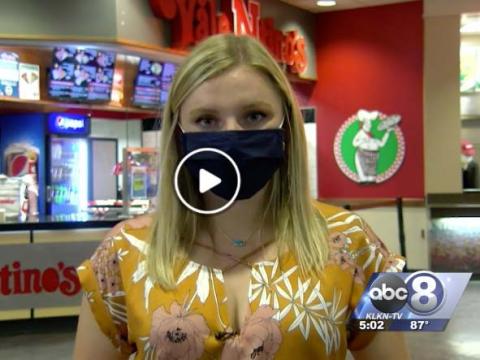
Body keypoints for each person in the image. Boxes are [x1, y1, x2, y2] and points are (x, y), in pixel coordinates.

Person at [74, 34, 409, 359]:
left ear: (286, 126)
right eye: (206, 119)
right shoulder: (125, 252)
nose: (231, 134)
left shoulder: (352, 241)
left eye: (254, 116)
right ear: (179, 135)